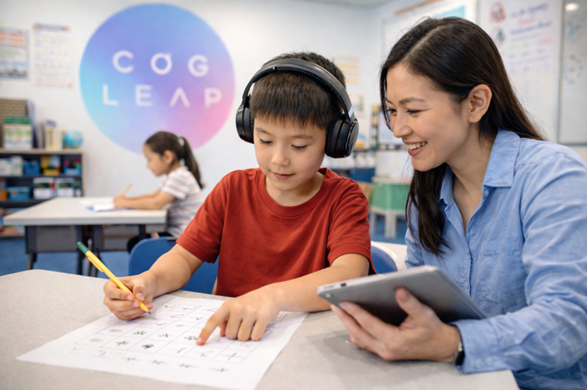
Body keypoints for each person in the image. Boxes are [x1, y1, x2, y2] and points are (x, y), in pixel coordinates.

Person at [331, 17, 587, 390]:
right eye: (392, 111)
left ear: (476, 103)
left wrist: (453, 343)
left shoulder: (551, 177)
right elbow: (421, 302)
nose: (399, 128)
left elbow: (566, 326)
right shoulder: (427, 195)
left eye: (414, 111)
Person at [103, 52, 374, 344]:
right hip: (231, 340)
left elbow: (349, 273)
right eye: (265, 140)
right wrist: (149, 281)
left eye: (298, 145)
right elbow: (183, 257)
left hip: (303, 342)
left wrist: (273, 296)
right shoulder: (233, 189)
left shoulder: (343, 197)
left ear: (334, 140)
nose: (279, 159)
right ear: (249, 129)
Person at [113, 131, 205, 252]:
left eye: (149, 159)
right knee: (137, 243)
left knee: (136, 245)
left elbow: (155, 204)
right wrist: (127, 199)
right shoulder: (175, 175)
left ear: (167, 157)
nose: (147, 165)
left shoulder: (179, 177)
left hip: (184, 239)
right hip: (180, 236)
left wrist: (124, 204)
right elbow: (152, 196)